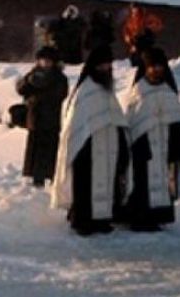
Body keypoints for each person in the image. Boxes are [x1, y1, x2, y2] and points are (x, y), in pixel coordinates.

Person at [51, 45, 129, 236]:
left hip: (108, 147)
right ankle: (83, 222)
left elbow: (117, 120)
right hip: (87, 151)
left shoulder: (108, 92)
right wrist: (82, 148)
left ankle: (102, 220)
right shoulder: (84, 92)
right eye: (102, 67)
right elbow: (76, 127)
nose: (106, 70)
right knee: (85, 187)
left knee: (106, 185)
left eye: (109, 67)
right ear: (93, 67)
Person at [122, 47, 180, 230]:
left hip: (164, 147)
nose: (156, 71)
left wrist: (179, 149)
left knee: (162, 182)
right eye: (152, 67)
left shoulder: (169, 93)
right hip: (143, 151)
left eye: (159, 67)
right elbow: (132, 122)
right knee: (142, 184)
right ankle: (140, 217)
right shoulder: (138, 93)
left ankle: (159, 215)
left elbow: (177, 123)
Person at [16, 46, 69, 188]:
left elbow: (59, 95)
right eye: (42, 60)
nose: (44, 63)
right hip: (35, 120)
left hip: (50, 121)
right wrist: (28, 82)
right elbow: (21, 89)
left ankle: (51, 179)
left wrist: (38, 95)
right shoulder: (33, 74)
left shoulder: (59, 78)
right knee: (35, 152)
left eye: (48, 61)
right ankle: (35, 179)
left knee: (49, 152)